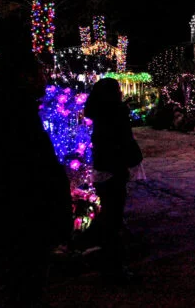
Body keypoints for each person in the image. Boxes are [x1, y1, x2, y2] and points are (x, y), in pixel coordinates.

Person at [0, 47, 72, 307]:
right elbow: (31, 176)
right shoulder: (15, 120)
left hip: (12, 224)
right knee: (23, 288)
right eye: (40, 72)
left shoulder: (8, 114)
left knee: (18, 286)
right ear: (23, 77)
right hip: (24, 227)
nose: (45, 78)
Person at [83, 77, 143, 283]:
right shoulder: (116, 112)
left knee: (109, 214)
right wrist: (134, 160)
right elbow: (125, 140)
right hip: (114, 168)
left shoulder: (98, 112)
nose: (121, 92)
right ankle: (114, 266)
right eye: (117, 89)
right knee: (114, 217)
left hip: (102, 168)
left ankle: (109, 258)